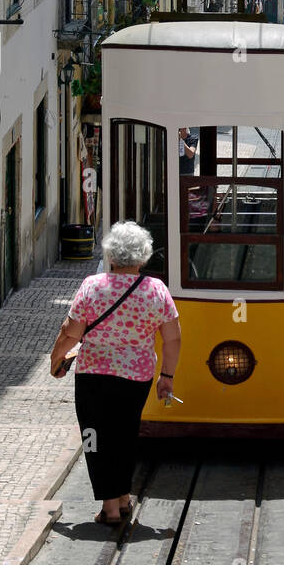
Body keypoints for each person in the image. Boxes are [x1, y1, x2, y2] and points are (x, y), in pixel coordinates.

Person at [49, 221, 181, 525]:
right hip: (136, 378)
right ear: (143, 257)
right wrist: (167, 376)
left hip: (94, 375)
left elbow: (71, 333)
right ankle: (122, 497)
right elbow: (172, 337)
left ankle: (110, 507)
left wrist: (56, 360)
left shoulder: (93, 286)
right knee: (123, 434)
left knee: (95, 436)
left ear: (111, 255)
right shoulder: (156, 290)